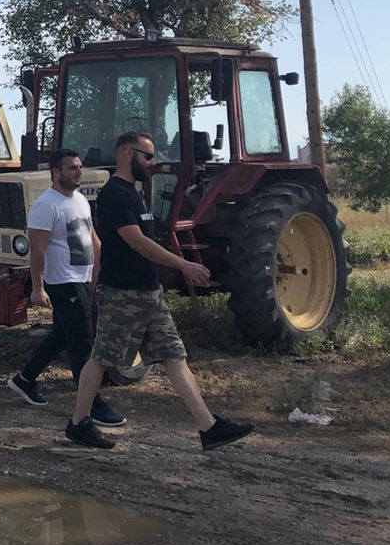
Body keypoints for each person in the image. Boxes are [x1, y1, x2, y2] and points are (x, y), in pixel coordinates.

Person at [65, 131, 254, 451]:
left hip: (148, 293)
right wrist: (184, 265)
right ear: (127, 153)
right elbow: (136, 241)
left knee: (174, 357)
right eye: (148, 156)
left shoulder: (135, 194)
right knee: (101, 359)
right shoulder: (115, 194)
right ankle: (78, 423)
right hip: (123, 295)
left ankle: (209, 427)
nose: (153, 163)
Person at [7, 149, 123, 427]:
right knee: (83, 339)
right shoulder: (46, 205)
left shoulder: (81, 200)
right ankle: (92, 405)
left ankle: (24, 379)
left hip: (83, 279)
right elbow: (37, 250)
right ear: (56, 172)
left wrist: (98, 274)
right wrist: (38, 288)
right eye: (71, 168)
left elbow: (92, 239)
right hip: (62, 280)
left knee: (62, 334)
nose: (78, 172)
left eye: (79, 167)